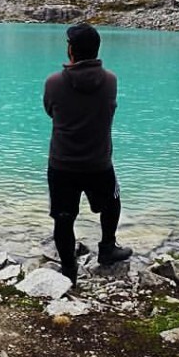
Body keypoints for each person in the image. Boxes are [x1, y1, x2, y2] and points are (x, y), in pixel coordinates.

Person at [43, 23, 132, 285]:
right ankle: (107, 248)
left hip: (62, 163)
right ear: (96, 50)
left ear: (71, 50)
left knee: (63, 218)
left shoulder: (53, 82)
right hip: (98, 162)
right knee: (112, 203)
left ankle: (69, 270)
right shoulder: (111, 80)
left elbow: (50, 110)